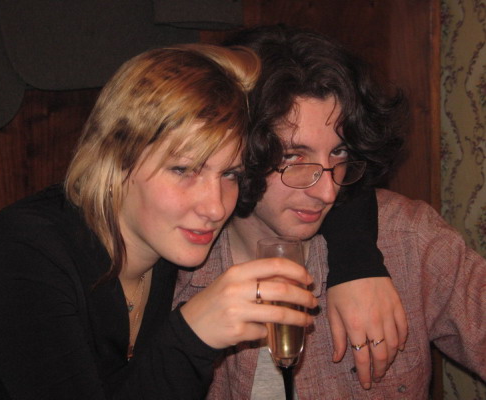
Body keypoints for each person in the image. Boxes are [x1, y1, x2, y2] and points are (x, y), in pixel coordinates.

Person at [0, 40, 405, 400]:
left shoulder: (164, 235)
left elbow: (326, 182)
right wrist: (192, 334)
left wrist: (356, 262)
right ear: (115, 158)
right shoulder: (24, 256)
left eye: (230, 174)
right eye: (184, 170)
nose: (215, 208)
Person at [174, 25, 486, 399]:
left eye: (339, 153)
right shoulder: (173, 268)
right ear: (237, 148)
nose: (327, 191)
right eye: (293, 156)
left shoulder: (408, 239)